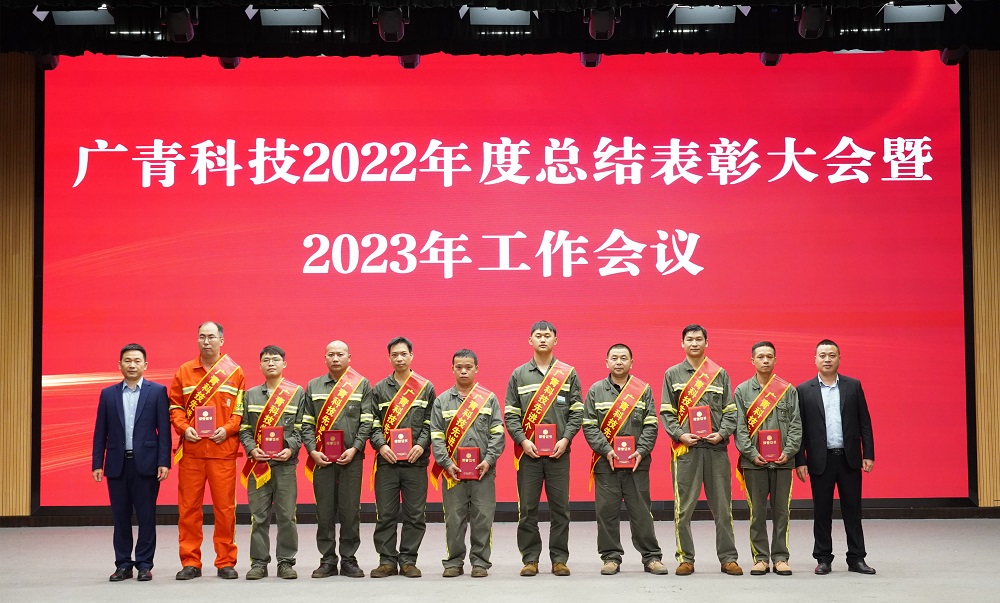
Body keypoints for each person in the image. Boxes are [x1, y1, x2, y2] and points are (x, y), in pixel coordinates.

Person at [660, 324, 742, 576]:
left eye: (699, 339)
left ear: (707, 343)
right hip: (687, 451)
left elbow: (730, 411)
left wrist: (722, 433)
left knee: (723, 508)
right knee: (683, 509)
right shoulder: (672, 374)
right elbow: (667, 412)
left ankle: (728, 558)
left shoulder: (719, 373)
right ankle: (685, 558)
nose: (694, 343)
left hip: (716, 450)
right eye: (689, 339)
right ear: (682, 344)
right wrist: (680, 435)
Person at [504, 320, 583, 577]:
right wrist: (522, 441)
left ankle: (559, 559)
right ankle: (530, 559)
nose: (542, 339)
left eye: (547, 335)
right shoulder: (519, 374)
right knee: (528, 509)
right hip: (528, 455)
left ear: (555, 340)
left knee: (560, 509)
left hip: (559, 453)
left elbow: (577, 412)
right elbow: (511, 414)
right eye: (538, 335)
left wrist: (566, 439)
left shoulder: (568, 373)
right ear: (530, 340)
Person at [582, 344, 668, 576]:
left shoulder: (643, 389)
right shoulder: (596, 390)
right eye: (614, 358)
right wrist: (606, 449)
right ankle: (611, 557)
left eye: (623, 358)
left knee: (641, 512)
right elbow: (589, 425)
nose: (619, 362)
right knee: (606, 513)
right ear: (606, 362)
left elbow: (651, 424)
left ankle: (651, 557)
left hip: (637, 464)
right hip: (606, 463)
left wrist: (641, 450)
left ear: (631, 362)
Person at [169, 322, 246, 580]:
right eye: (202, 337)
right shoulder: (184, 371)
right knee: (189, 509)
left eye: (211, 337)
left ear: (221, 340)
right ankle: (191, 562)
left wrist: (227, 429)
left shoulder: (235, 372)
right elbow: (175, 407)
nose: (206, 341)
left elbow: (240, 412)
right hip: (192, 452)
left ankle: (225, 561)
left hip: (222, 451)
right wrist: (184, 428)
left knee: (225, 510)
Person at [795, 339, 876, 575]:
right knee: (822, 512)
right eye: (822, 355)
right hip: (820, 460)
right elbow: (799, 428)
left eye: (832, 355)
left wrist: (868, 454)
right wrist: (800, 460)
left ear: (839, 358)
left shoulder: (853, 386)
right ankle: (823, 558)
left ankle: (856, 558)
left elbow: (865, 422)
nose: (827, 359)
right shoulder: (803, 390)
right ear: (815, 360)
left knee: (853, 511)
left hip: (849, 458)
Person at [92, 343, 171, 582]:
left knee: (147, 517)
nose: (132, 365)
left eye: (137, 361)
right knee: (120, 518)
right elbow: (100, 431)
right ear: (120, 365)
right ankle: (123, 564)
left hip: (146, 464)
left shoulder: (157, 392)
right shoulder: (108, 394)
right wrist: (97, 463)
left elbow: (164, 431)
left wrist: (164, 461)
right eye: (127, 361)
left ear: (145, 365)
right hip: (117, 464)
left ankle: (145, 564)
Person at [429, 349, 506, 578]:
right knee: (454, 518)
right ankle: (453, 562)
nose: (463, 371)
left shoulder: (488, 398)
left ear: (476, 369)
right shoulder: (442, 401)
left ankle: (480, 562)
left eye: (468, 367)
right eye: (459, 367)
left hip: (483, 472)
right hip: (453, 472)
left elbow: (498, 433)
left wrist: (489, 460)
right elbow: (436, 436)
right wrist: (446, 463)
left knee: (483, 517)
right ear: (452, 369)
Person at [301, 340, 374, 579]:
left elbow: (367, 421)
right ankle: (328, 560)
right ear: (325, 358)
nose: (335, 358)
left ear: (349, 357)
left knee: (350, 510)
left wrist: (355, 448)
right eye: (330, 354)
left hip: (351, 458)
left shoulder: (361, 384)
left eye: (340, 354)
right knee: (324, 511)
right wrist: (312, 450)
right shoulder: (313, 386)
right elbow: (306, 422)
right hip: (322, 459)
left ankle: (349, 559)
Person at [368, 337, 437, 578]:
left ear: (411, 356)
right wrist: (380, 446)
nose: (399, 358)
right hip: (387, 462)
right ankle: (387, 561)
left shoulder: (425, 387)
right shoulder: (379, 389)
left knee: (415, 515)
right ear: (389, 358)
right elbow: (373, 423)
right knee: (385, 514)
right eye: (394, 355)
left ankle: (408, 560)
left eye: (403, 354)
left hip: (415, 462)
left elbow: (431, 422)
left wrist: (420, 445)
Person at [733, 341, 802, 576]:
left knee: (782, 512)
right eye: (760, 356)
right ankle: (760, 558)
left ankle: (781, 557)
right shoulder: (742, 391)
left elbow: (796, 424)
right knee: (757, 513)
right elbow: (739, 428)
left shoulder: (788, 390)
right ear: (752, 360)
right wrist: (752, 454)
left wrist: (789, 451)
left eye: (769, 356)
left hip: (783, 462)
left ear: (775, 360)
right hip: (754, 463)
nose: (765, 360)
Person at [238, 345, 305, 580]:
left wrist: (291, 448)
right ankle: (258, 563)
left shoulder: (297, 393)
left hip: (285, 465)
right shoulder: (250, 395)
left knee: (287, 516)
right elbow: (244, 428)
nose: (271, 363)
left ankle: (286, 562)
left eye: (275, 359)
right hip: (259, 465)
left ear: (284, 364)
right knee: (259, 516)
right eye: (266, 360)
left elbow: (302, 427)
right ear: (260, 365)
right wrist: (251, 449)